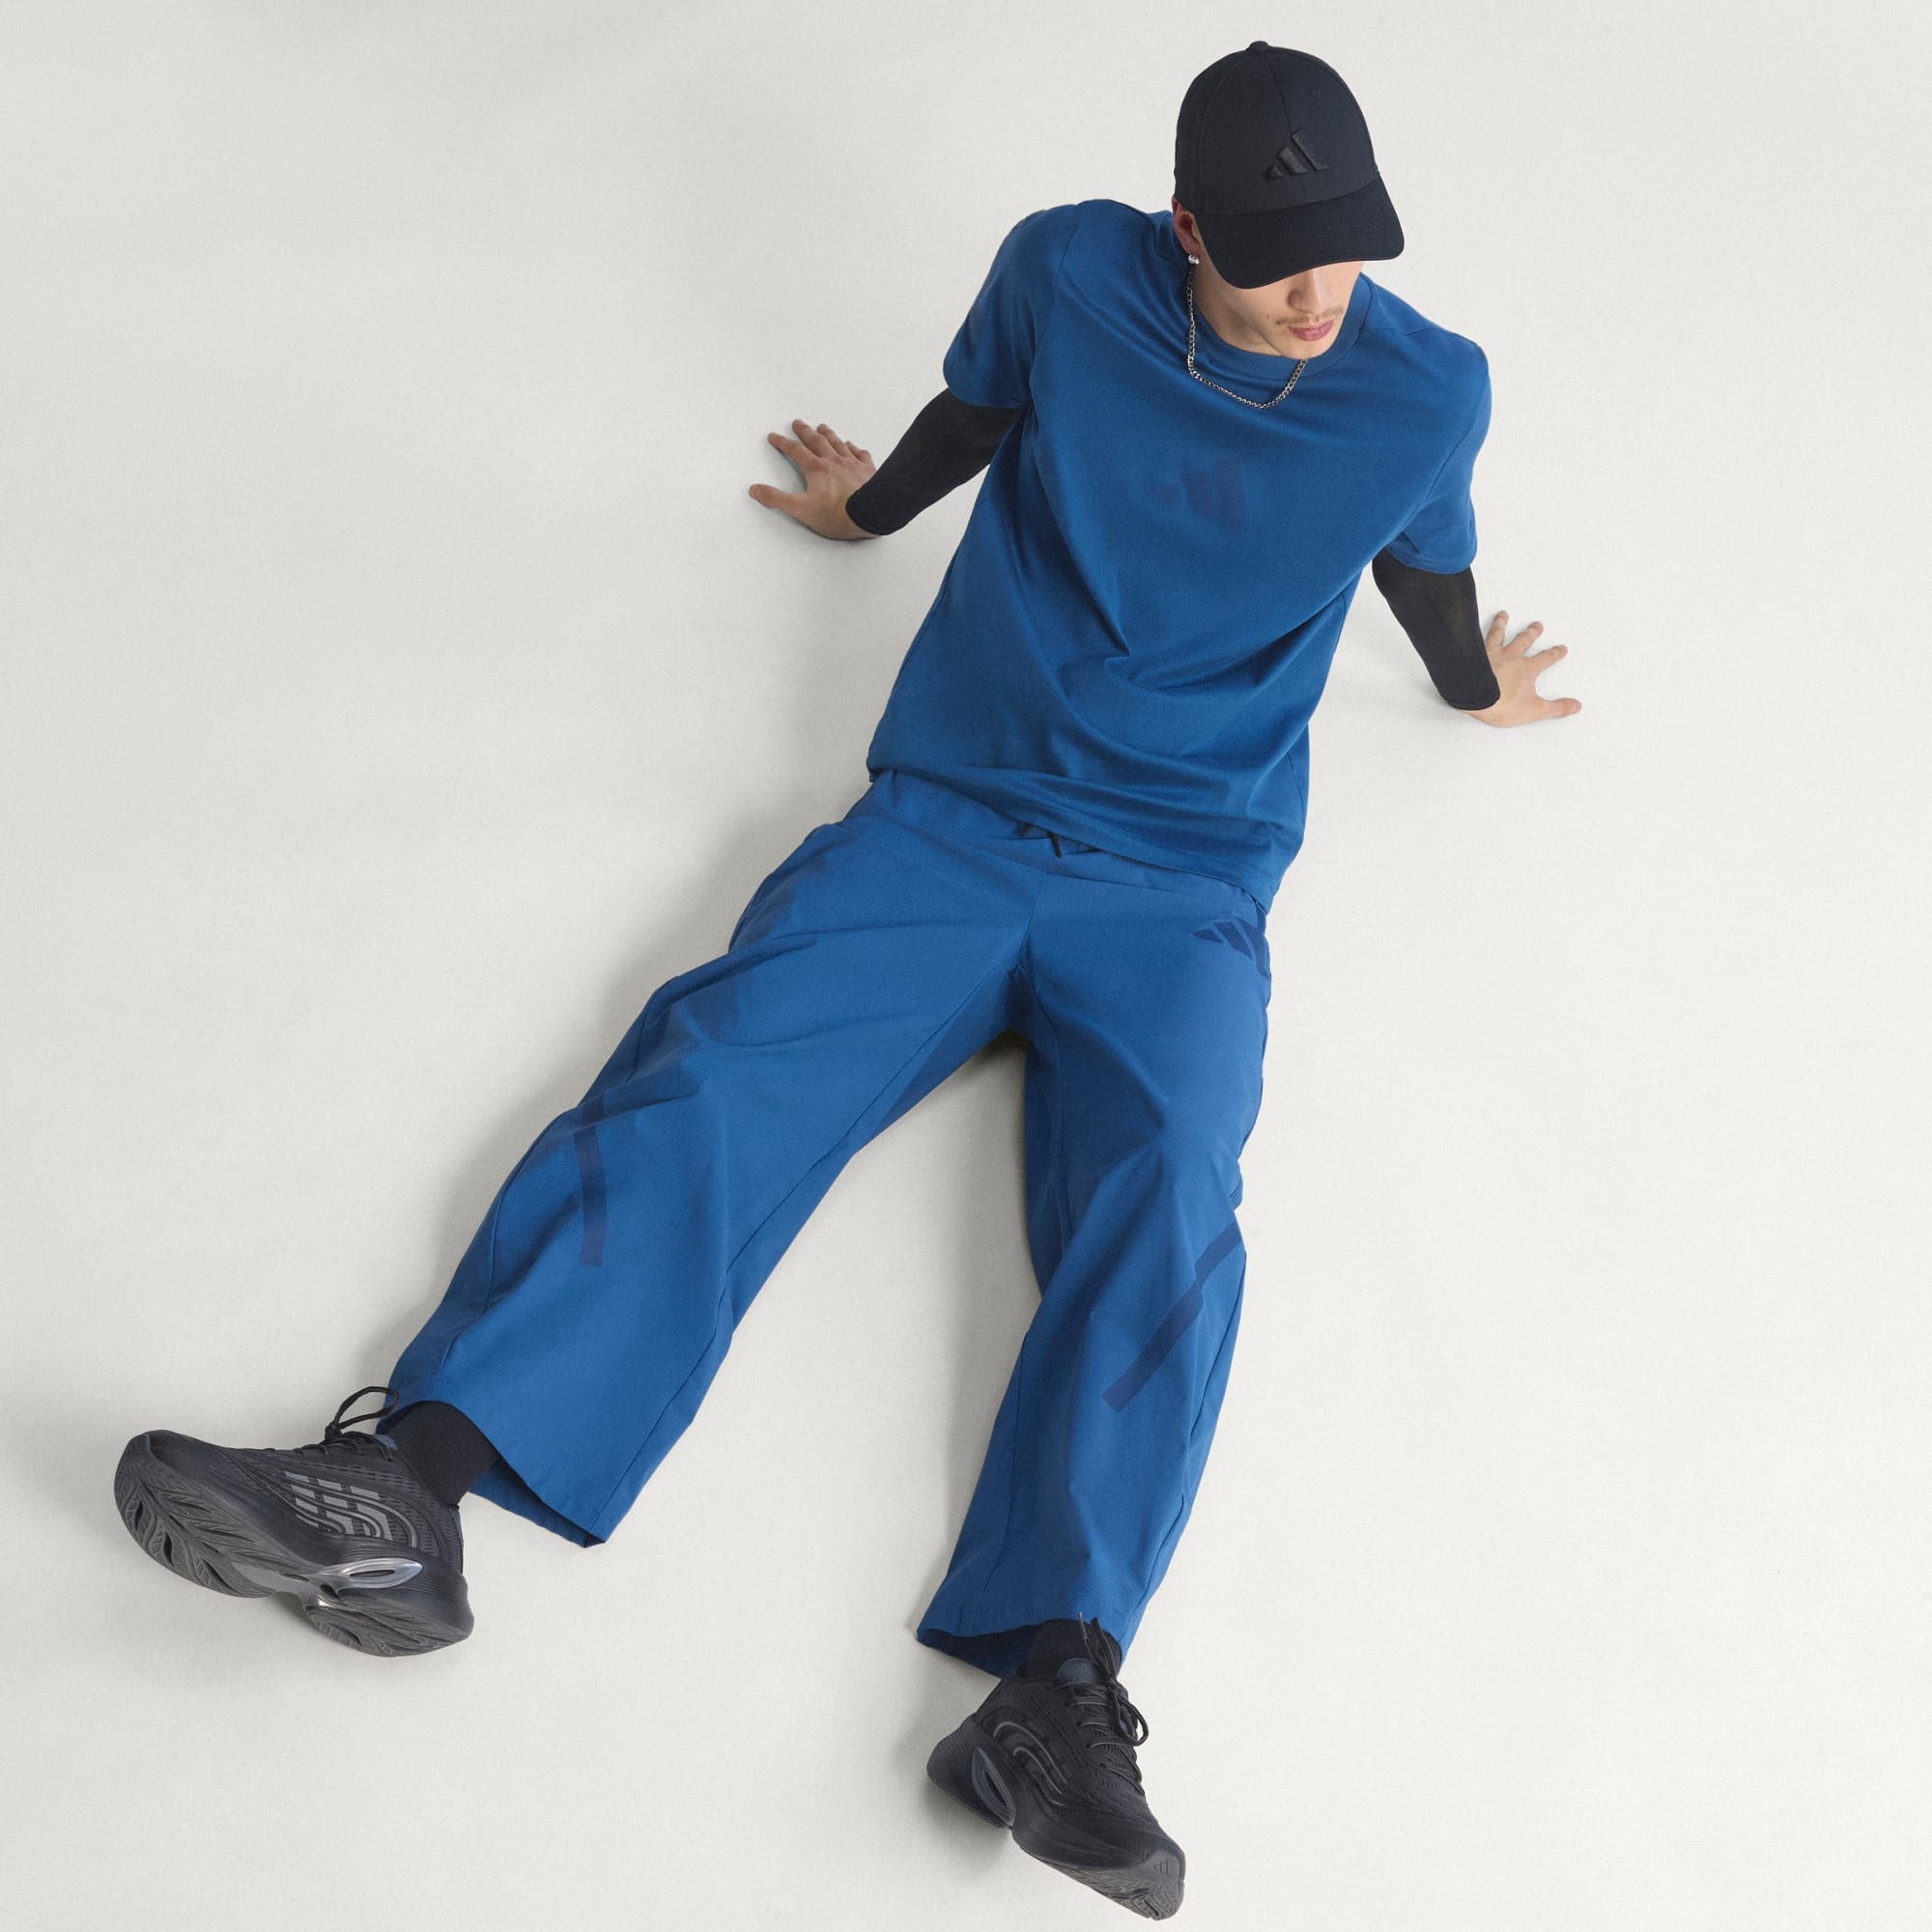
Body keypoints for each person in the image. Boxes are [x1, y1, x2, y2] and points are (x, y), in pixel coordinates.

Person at [111, 42, 1579, 1920]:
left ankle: (1055, 1686)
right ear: (1186, 227)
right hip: (950, 817)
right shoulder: (1067, 269)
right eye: (1276, 255)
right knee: (712, 1074)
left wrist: (1470, 687)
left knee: (1170, 1199)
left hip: (1184, 885)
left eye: (1347, 249)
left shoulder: (1427, 388)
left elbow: (1425, 573)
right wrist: (861, 515)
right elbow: (974, 415)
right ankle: (412, 1487)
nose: (1319, 293)